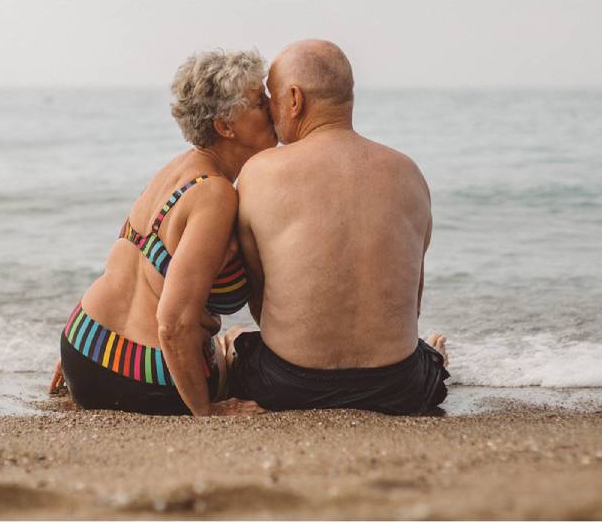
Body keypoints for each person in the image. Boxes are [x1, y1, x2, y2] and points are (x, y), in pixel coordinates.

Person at [227, 39, 450, 414]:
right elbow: (413, 299)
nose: (268, 109)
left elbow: (260, 298)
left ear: (294, 100)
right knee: (425, 354)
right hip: (401, 387)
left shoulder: (261, 172)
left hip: (288, 386)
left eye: (272, 97)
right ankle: (434, 359)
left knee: (234, 340)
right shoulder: (408, 172)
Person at [49, 49, 277, 416]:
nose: (273, 107)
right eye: (259, 102)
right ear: (225, 125)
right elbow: (173, 323)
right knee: (235, 345)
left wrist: (79, 357)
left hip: (81, 342)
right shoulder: (215, 194)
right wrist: (206, 410)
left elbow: (125, 263)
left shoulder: (178, 168)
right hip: (140, 377)